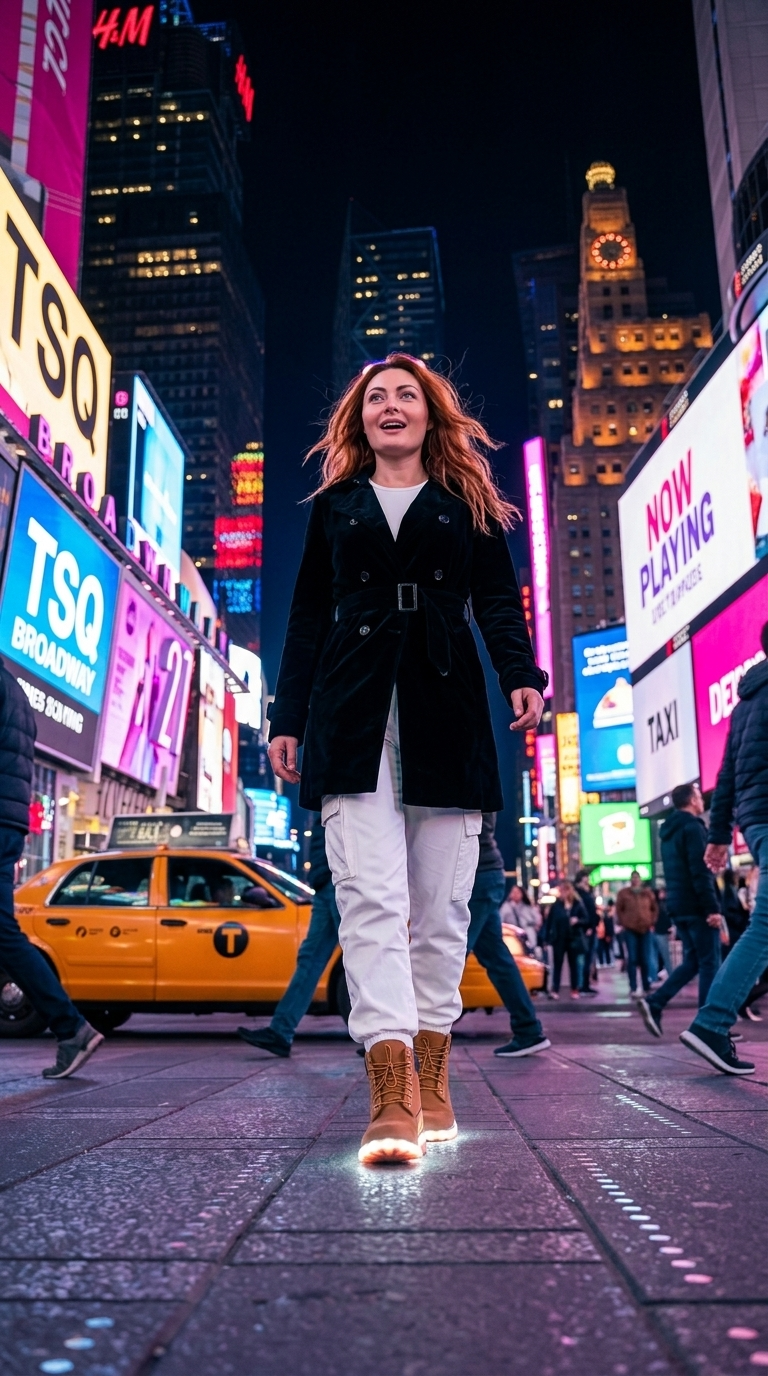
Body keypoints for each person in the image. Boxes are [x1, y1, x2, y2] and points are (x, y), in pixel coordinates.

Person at [267, 354, 546, 1163]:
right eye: (376, 399)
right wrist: (288, 717)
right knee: (370, 900)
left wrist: (519, 673)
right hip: (350, 714)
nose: (391, 408)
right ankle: (389, 1094)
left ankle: (432, 1075)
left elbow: (496, 599)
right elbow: (307, 619)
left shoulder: (467, 504)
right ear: (360, 419)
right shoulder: (335, 506)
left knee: (441, 909)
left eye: (406, 397)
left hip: (448, 704)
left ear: (431, 416)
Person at [0, 659, 102, 1079]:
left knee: (3, 932)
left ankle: (70, 1026)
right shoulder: (17, 689)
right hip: (9, 819)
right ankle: (70, 1026)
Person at [680, 633, 768, 1075]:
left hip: (755, 819)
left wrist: (718, 836)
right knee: (766, 926)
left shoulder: (745, 702)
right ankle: (712, 1022)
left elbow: (726, 775)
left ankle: (712, 1022)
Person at [238, 817, 341, 1057]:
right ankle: (281, 1032)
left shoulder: (335, 788)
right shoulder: (319, 791)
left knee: (360, 957)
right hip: (326, 885)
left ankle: (383, 1038)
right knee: (310, 959)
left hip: (337, 881)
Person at [638, 783, 722, 1039]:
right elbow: (700, 872)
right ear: (691, 800)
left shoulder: (669, 831)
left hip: (678, 906)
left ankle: (656, 1002)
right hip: (697, 907)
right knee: (709, 962)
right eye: (698, 796)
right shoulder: (693, 828)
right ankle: (706, 1026)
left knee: (694, 961)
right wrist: (712, 908)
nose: (701, 801)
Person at [465, 814, 550, 1058]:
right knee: (497, 959)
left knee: (449, 956)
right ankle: (529, 1030)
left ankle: (405, 1040)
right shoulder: (484, 777)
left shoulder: (472, 777)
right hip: (485, 873)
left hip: (475, 875)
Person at [544, 880, 588, 999]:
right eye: (561, 890)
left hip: (573, 938)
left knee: (573, 964)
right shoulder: (556, 905)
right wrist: (546, 938)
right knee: (557, 964)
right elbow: (549, 922)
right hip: (559, 938)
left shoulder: (577, 904)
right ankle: (555, 989)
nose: (563, 893)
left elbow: (586, 920)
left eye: (565, 890)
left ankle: (574, 989)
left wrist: (577, 921)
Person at [616, 871, 657, 997]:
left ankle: (646, 984)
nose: (635, 880)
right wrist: (625, 923)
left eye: (637, 877)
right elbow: (619, 910)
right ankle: (633, 986)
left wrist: (651, 921)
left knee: (645, 958)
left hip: (645, 928)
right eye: (633, 877)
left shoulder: (647, 893)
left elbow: (654, 908)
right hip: (630, 929)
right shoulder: (624, 894)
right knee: (632, 958)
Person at [574, 868, 599, 994]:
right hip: (584, 931)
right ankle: (582, 985)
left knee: (589, 959)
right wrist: (588, 927)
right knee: (583, 959)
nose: (587, 884)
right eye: (585, 881)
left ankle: (585, 984)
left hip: (591, 929)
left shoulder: (587, 894)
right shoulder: (579, 896)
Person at [501, 883, 541, 953]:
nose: (515, 894)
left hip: (528, 935)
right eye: (513, 892)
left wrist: (533, 929)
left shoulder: (528, 907)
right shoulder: (506, 907)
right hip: (512, 937)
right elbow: (501, 921)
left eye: (518, 892)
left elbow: (537, 920)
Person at [649, 886, 672, 982]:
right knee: (665, 955)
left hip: (655, 931)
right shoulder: (662, 905)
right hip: (661, 931)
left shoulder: (654, 905)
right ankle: (670, 975)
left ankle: (654, 976)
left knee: (653, 955)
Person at [598, 898, 615, 965]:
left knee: (603, 948)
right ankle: (607, 961)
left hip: (601, 933)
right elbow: (609, 925)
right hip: (604, 933)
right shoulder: (608, 914)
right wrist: (609, 935)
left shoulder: (604, 913)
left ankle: (603, 961)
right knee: (606, 948)